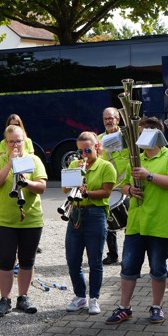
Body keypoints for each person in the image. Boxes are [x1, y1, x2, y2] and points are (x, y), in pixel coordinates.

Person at [106, 117, 168, 327]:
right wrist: (130, 190)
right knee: (128, 267)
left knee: (157, 267)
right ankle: (124, 308)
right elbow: (125, 186)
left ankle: (157, 307)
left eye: (142, 133)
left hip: (161, 222)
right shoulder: (135, 158)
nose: (138, 137)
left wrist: (149, 176)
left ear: (156, 134)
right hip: (137, 223)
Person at [0, 124, 48, 317]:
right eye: (11, 142)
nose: (15, 145)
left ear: (25, 141)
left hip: (30, 218)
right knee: (5, 260)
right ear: (6, 143)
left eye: (18, 141)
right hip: (5, 220)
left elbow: (41, 187)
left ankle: (23, 297)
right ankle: (5, 299)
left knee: (27, 260)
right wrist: (9, 165)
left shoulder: (34, 160)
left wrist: (25, 182)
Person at [62, 132, 115, 316]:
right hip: (76, 212)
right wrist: (75, 175)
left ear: (97, 147)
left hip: (95, 214)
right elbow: (65, 189)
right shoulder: (74, 164)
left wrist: (86, 193)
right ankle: (80, 296)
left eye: (87, 150)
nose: (83, 154)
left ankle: (94, 298)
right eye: (80, 151)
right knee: (73, 259)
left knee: (95, 260)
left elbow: (106, 192)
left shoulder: (106, 166)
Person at [101, 107, 129, 265]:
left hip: (127, 184)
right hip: (110, 186)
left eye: (111, 118)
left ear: (118, 119)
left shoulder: (127, 137)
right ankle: (112, 254)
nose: (108, 121)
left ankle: (127, 256)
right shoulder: (99, 139)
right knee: (109, 223)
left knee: (129, 223)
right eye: (105, 119)